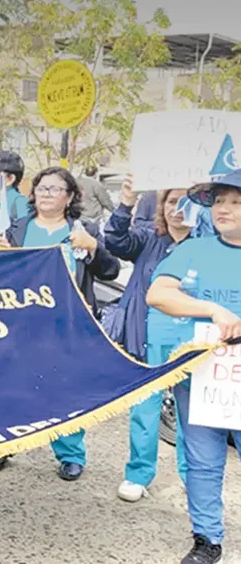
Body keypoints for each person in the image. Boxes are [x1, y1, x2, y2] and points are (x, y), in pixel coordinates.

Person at [0, 167, 121, 480]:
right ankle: (5, 444)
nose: (47, 194)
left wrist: (93, 247)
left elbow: (110, 271)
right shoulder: (16, 229)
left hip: (69, 324)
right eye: (42, 188)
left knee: (67, 388)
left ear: (70, 196)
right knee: (13, 385)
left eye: (55, 189)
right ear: (33, 194)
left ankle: (70, 454)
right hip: (21, 324)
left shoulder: (84, 229)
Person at [147, 168, 241, 564]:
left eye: (236, 202)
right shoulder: (194, 250)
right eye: (220, 200)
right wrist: (210, 307)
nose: (224, 208)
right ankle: (207, 540)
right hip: (203, 375)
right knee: (202, 460)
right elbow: (158, 293)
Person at [105, 175, 194, 503]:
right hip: (148, 337)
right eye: (172, 202)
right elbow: (115, 241)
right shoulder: (149, 238)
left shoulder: (207, 244)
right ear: (162, 207)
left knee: (190, 413)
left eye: (186, 201)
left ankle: (192, 475)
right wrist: (126, 201)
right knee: (145, 408)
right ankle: (138, 474)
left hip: (193, 342)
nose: (178, 209)